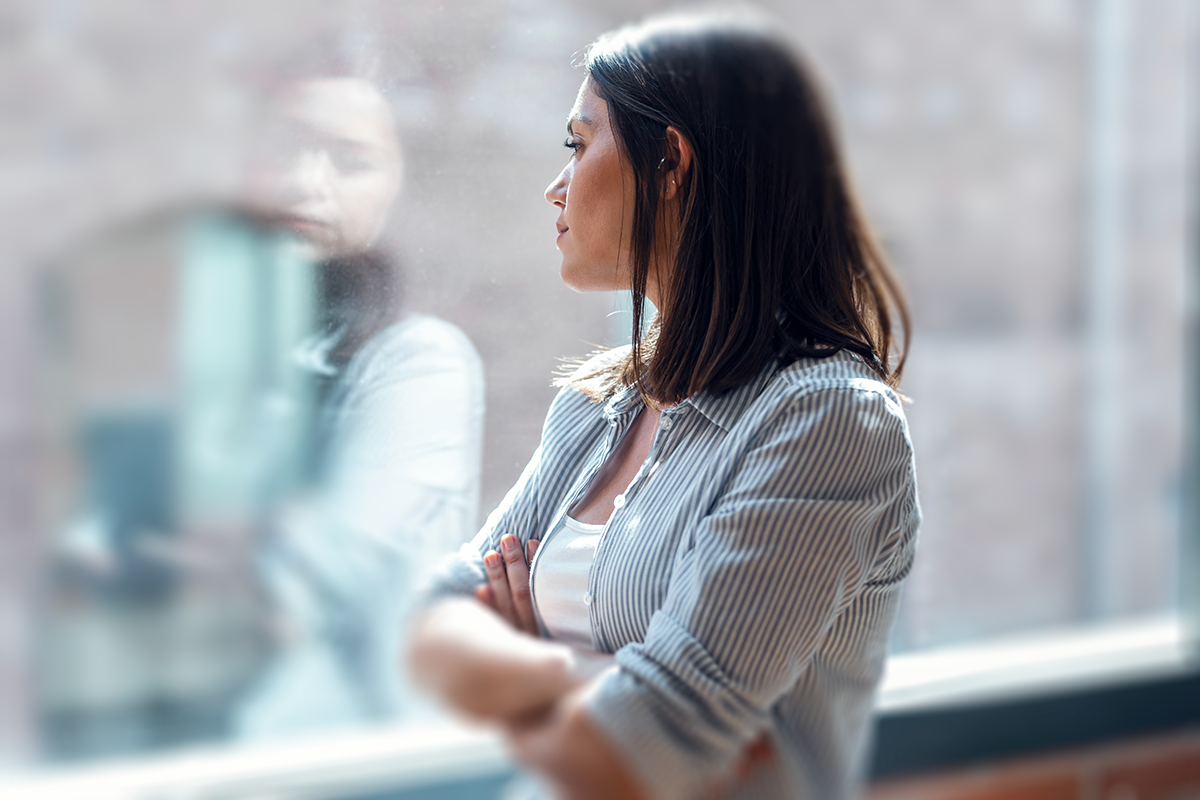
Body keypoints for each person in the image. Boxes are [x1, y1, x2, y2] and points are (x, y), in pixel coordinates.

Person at [409, 11, 918, 800]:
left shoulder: (827, 421)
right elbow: (431, 627)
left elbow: (651, 742)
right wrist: (581, 676)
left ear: (669, 159)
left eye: (578, 145)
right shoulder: (596, 409)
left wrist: (517, 656)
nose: (556, 185)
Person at [236, 71, 485, 736]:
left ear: (398, 190)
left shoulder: (419, 363)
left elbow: (310, 579)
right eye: (285, 147)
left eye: (350, 160)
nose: (304, 181)